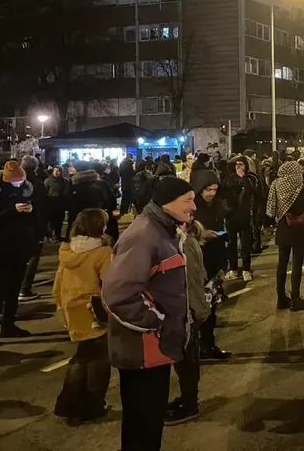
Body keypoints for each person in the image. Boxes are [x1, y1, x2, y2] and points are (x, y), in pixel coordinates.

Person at [102, 178, 195, 450]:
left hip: (155, 349)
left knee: (147, 425)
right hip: (144, 350)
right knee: (143, 427)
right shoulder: (144, 235)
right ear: (167, 203)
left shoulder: (163, 230)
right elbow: (119, 294)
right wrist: (158, 322)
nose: (194, 206)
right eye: (187, 200)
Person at [52, 208, 112, 424]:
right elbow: (110, 283)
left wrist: (62, 309)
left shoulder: (67, 251)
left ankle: (71, 406)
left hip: (73, 309)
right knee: (99, 359)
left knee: (82, 356)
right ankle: (92, 404)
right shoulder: (102, 253)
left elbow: (58, 284)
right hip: (94, 310)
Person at [165, 218, 211, 425]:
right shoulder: (189, 243)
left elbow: (188, 281)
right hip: (192, 307)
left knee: (187, 361)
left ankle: (190, 404)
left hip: (189, 310)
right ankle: (187, 398)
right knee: (185, 360)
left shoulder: (184, 246)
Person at [191, 169, 231, 360]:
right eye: (208, 189)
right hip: (198, 263)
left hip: (214, 259)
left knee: (211, 306)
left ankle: (207, 345)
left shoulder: (216, 205)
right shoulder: (191, 208)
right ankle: (197, 346)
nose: (211, 193)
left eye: (215, 189)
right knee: (198, 309)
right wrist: (201, 234)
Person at [0, 160, 38, 338]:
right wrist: (13, 210)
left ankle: (8, 325)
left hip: (21, 247)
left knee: (13, 290)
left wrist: (32, 212)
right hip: (1, 248)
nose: (18, 184)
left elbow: (37, 218)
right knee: (0, 290)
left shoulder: (28, 190)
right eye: (15, 181)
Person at [266, 161, 304, 311]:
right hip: (299, 230)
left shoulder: (276, 185)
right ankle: (295, 298)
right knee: (297, 265)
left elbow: (271, 210)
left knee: (282, 264)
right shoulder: (299, 188)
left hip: (283, 228)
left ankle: (281, 299)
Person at [221, 156, 257, 282]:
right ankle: (233, 269)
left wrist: (243, 178)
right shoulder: (228, 178)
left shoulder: (250, 178)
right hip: (231, 216)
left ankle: (246, 268)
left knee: (245, 244)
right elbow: (223, 193)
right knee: (231, 244)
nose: (238, 167)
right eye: (236, 164)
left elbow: (251, 191)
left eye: (241, 164)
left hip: (245, 216)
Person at [18, 155, 48, 302]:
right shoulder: (37, 184)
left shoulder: (10, 183)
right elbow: (41, 209)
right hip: (32, 226)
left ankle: (14, 288)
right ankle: (24, 289)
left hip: (13, 226)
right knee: (33, 256)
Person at [66, 161, 118, 241]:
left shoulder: (73, 185)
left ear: (77, 170)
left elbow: (70, 206)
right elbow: (112, 203)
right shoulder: (102, 183)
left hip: (80, 225)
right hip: (100, 222)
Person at [44, 165, 70, 242]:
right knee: (52, 220)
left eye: (58, 171)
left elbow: (67, 191)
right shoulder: (48, 181)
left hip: (61, 203)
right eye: (54, 170)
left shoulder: (65, 181)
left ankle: (58, 234)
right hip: (52, 202)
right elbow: (45, 192)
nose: (56, 172)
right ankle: (52, 234)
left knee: (60, 219)